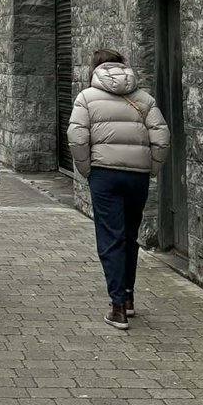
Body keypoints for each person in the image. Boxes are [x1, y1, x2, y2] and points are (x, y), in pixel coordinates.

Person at [68, 48, 170, 330]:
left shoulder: (86, 98)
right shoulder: (144, 98)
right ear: (122, 67)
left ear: (95, 69)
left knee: (110, 237)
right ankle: (128, 295)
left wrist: (87, 169)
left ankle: (117, 308)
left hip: (104, 175)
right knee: (129, 235)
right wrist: (152, 169)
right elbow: (161, 137)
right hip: (137, 176)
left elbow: (77, 137)